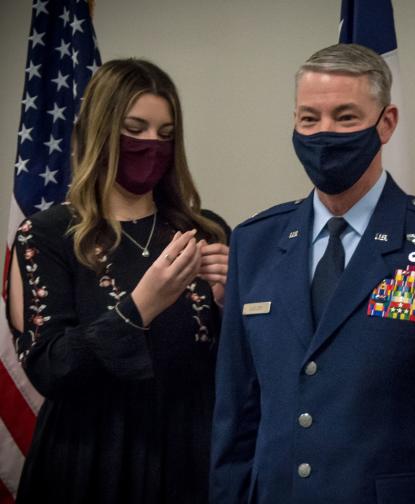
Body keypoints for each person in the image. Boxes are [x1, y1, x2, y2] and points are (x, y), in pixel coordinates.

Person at [210, 43, 415, 504]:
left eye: (346, 117)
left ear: (386, 123)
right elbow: (235, 412)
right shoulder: (255, 242)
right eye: (309, 119)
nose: (324, 133)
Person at [6, 59, 230, 503]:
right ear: (100, 131)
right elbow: (49, 367)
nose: (151, 145)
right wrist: (140, 305)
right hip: (91, 460)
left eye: (165, 135)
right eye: (135, 128)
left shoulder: (205, 232)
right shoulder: (47, 235)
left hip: (190, 456)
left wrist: (229, 307)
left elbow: (240, 371)